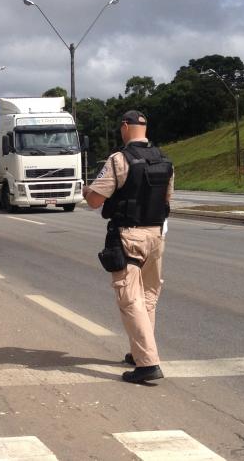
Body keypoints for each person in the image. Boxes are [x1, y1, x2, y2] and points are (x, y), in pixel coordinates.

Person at [82, 110, 174, 383]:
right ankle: (139, 352)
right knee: (148, 296)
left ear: (125, 127)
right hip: (156, 235)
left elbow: (96, 201)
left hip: (128, 236)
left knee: (129, 298)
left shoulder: (119, 160)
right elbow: (167, 200)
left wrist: (87, 190)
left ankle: (147, 363)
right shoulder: (165, 160)